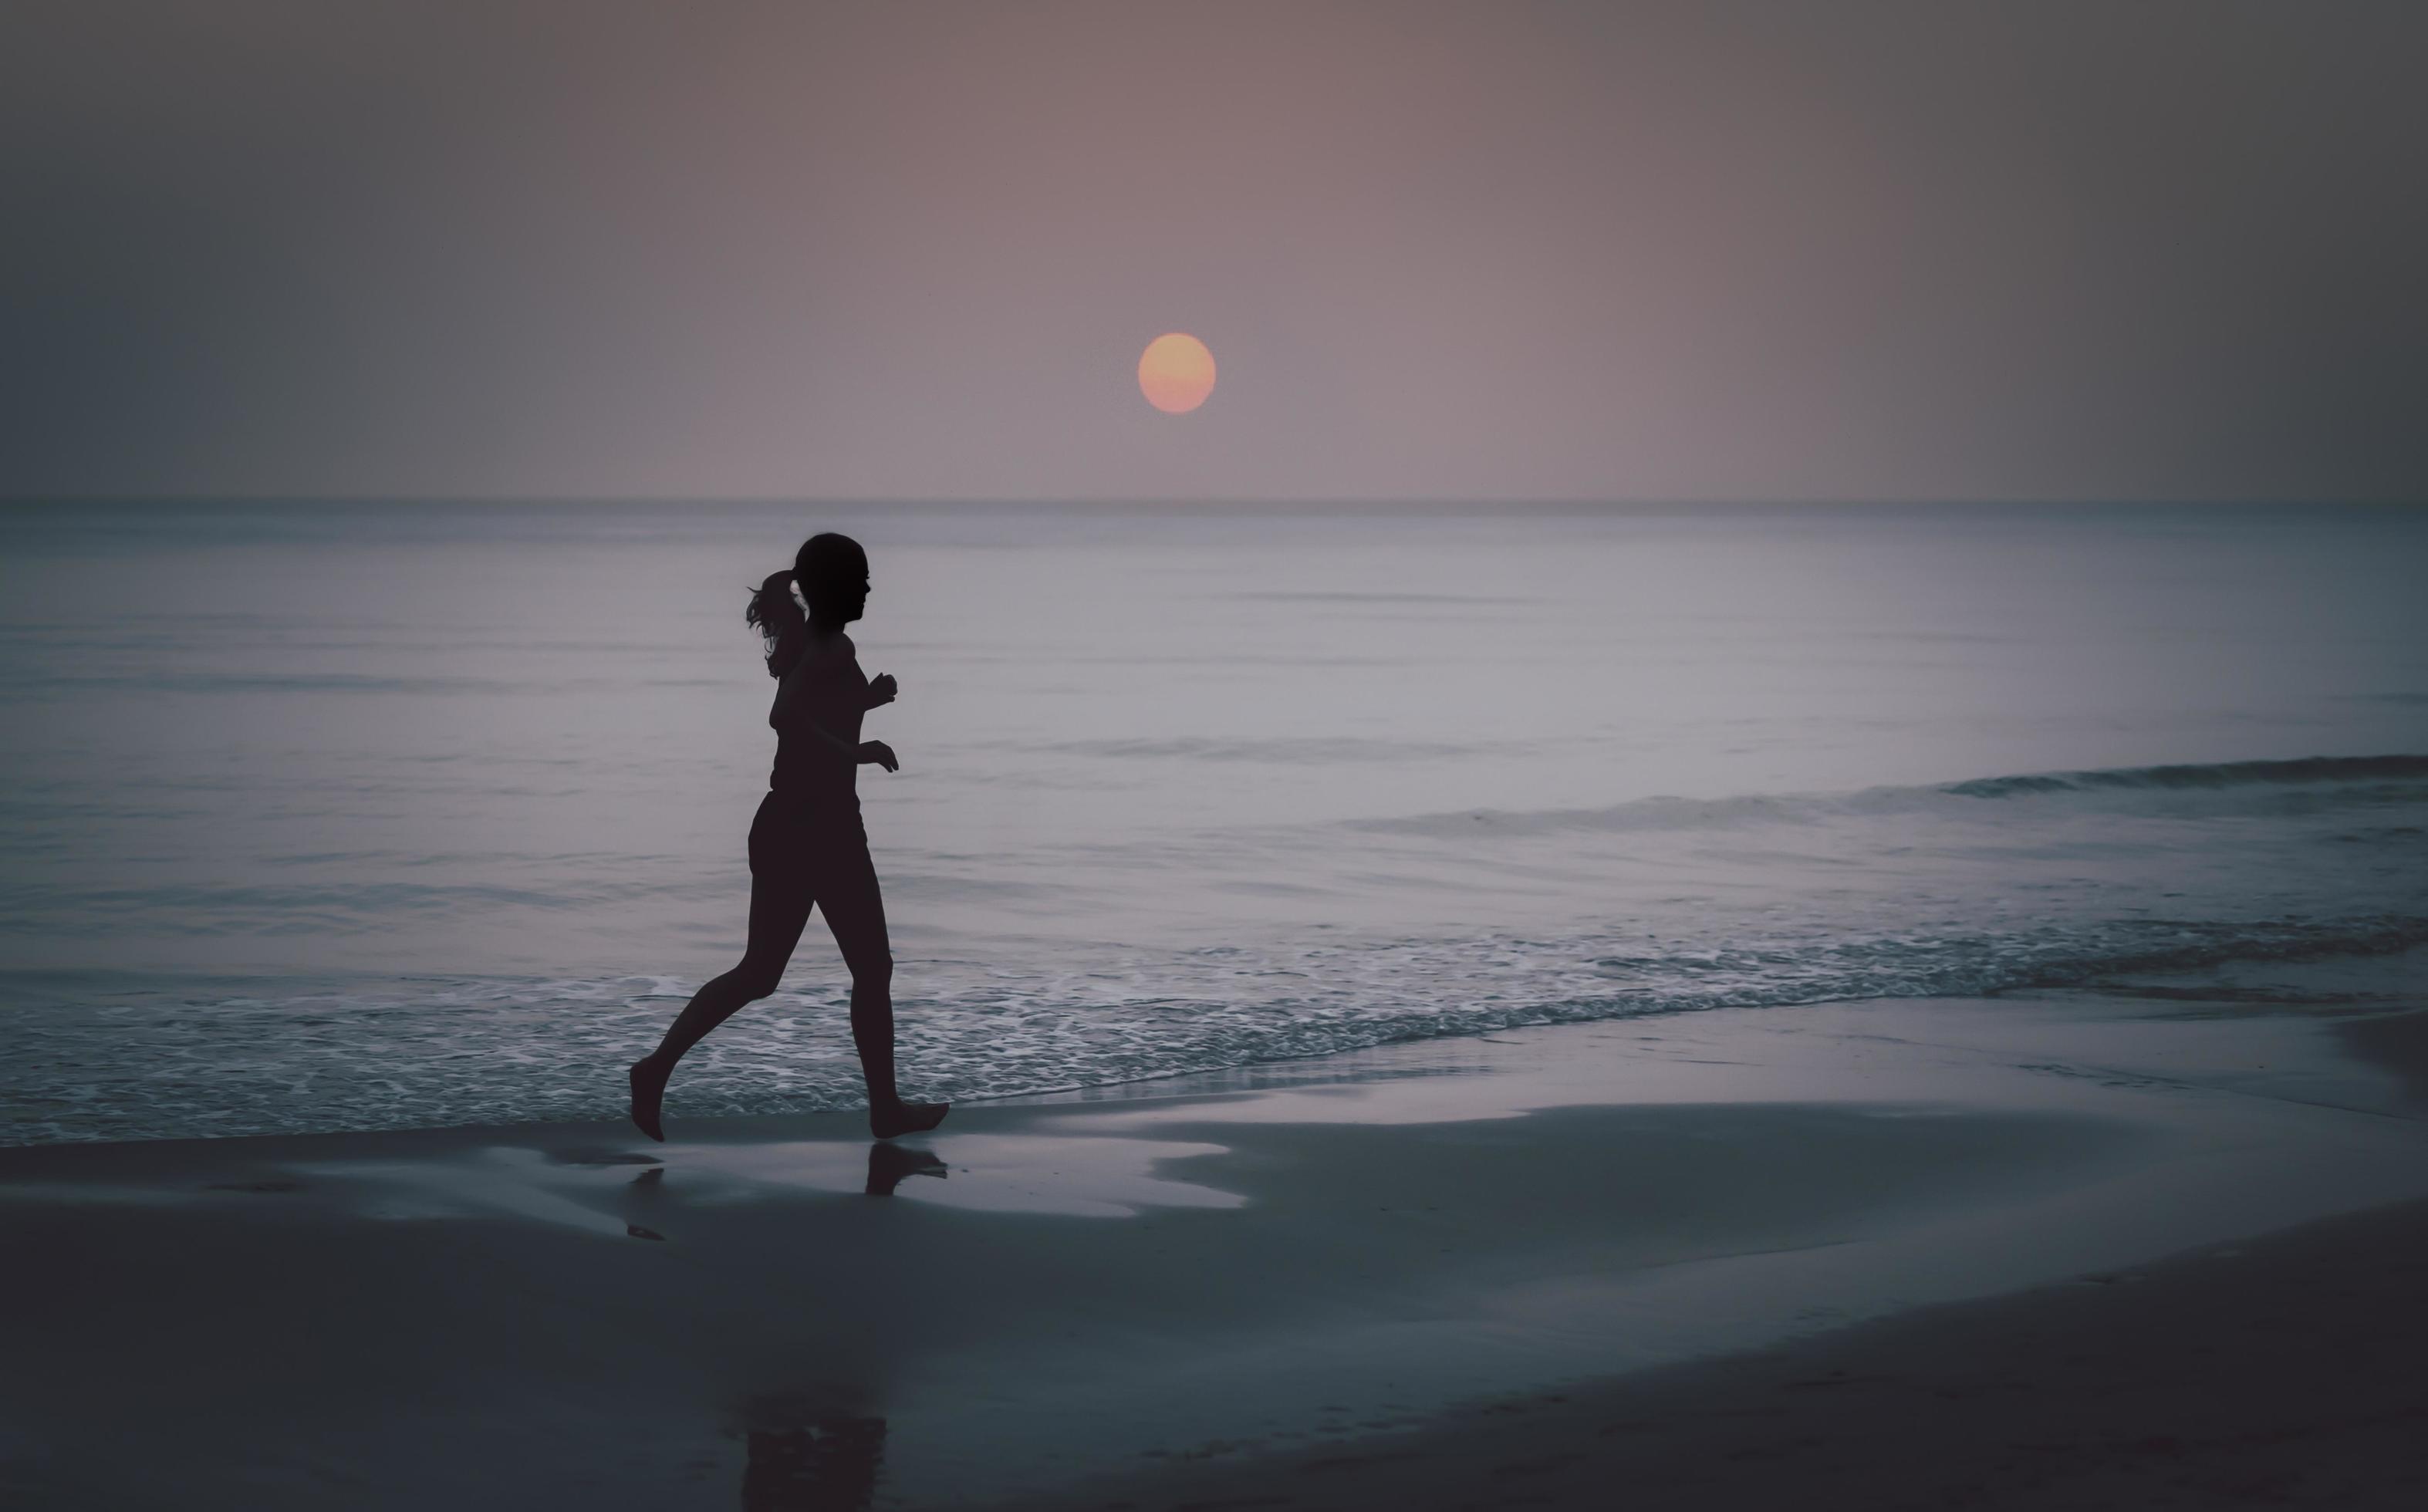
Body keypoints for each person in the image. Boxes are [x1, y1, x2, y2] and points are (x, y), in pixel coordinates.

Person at [629, 532, 949, 1142]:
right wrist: (857, 750)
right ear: (836, 588)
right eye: (860, 578)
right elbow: (784, 719)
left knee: (773, 972)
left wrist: (866, 700)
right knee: (858, 968)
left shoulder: (819, 645)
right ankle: (882, 1108)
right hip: (814, 829)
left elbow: (811, 712)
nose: (869, 587)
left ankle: (655, 1071)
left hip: (797, 824)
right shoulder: (828, 647)